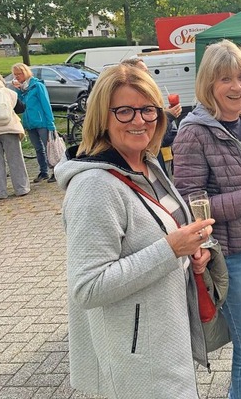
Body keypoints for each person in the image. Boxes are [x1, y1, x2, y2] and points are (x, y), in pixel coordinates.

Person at [56, 65, 217, 398]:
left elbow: (161, 234)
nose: (140, 121)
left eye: (147, 110)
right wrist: (170, 250)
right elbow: (87, 287)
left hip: (170, 336)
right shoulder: (94, 186)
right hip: (138, 361)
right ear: (102, 116)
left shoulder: (147, 162)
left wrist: (192, 255)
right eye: (125, 111)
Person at [172, 39, 241, 399]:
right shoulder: (193, 131)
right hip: (229, 253)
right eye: (225, 79)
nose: (237, 86)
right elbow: (191, 204)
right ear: (209, 84)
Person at [121, 57, 182, 175]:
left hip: (157, 162)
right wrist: (168, 117)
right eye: (143, 72)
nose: (148, 75)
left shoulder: (152, 96)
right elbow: (153, 138)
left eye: (148, 72)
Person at [11, 63, 56, 183]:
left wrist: (50, 122)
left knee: (49, 147)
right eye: (15, 75)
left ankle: (55, 171)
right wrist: (18, 90)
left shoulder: (37, 86)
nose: (16, 77)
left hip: (41, 121)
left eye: (19, 74)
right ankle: (43, 171)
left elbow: (46, 104)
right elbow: (21, 105)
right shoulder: (22, 88)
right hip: (29, 123)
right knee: (38, 148)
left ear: (25, 73)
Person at [0, 72, 30, 199]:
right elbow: (21, 108)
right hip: (10, 129)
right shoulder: (8, 92)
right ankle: (21, 188)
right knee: (15, 160)